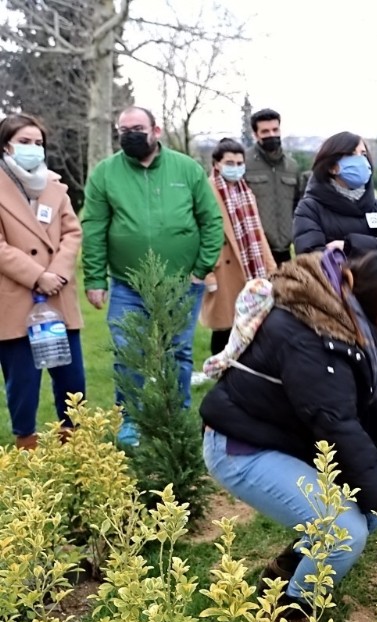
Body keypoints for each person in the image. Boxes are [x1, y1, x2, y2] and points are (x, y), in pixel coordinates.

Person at [200, 248, 377, 622]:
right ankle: (289, 615)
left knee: (365, 516)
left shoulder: (351, 322)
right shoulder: (308, 334)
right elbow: (338, 428)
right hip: (241, 448)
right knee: (344, 531)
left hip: (278, 437)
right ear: (370, 300)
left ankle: (285, 572)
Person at [82, 106, 223, 445]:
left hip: (182, 283)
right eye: (123, 129)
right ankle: (129, 419)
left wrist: (201, 268)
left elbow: (211, 221)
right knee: (128, 351)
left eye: (137, 127)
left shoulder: (186, 169)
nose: (130, 134)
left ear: (156, 130)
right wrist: (95, 279)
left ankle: (174, 417)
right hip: (128, 284)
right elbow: (94, 227)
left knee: (179, 351)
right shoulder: (105, 173)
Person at [0, 113, 85, 450]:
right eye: (24, 142)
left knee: (72, 380)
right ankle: (26, 450)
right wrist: (38, 276)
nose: (33, 149)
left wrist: (57, 274)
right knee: (23, 385)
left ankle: (75, 448)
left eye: (38, 143)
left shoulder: (54, 186)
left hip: (58, 297)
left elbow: (72, 232)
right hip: (17, 299)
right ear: (7, 145)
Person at [201, 138, 277, 356]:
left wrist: (270, 266)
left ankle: (245, 369)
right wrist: (208, 272)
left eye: (239, 163)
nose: (235, 168)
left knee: (252, 322)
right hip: (223, 267)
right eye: (229, 163)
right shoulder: (206, 191)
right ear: (216, 164)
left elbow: (257, 232)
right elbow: (200, 233)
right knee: (224, 326)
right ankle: (221, 371)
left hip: (250, 264)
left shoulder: (245, 191)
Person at [293, 132, 377, 258]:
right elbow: (310, 257)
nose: (361, 160)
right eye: (352, 154)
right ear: (332, 167)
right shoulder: (310, 208)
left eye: (363, 154)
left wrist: (349, 245)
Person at [245, 108, 302, 266]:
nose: (272, 135)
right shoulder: (244, 164)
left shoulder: (292, 166)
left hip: (286, 251)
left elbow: (298, 205)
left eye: (275, 129)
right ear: (256, 135)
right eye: (265, 131)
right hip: (256, 249)